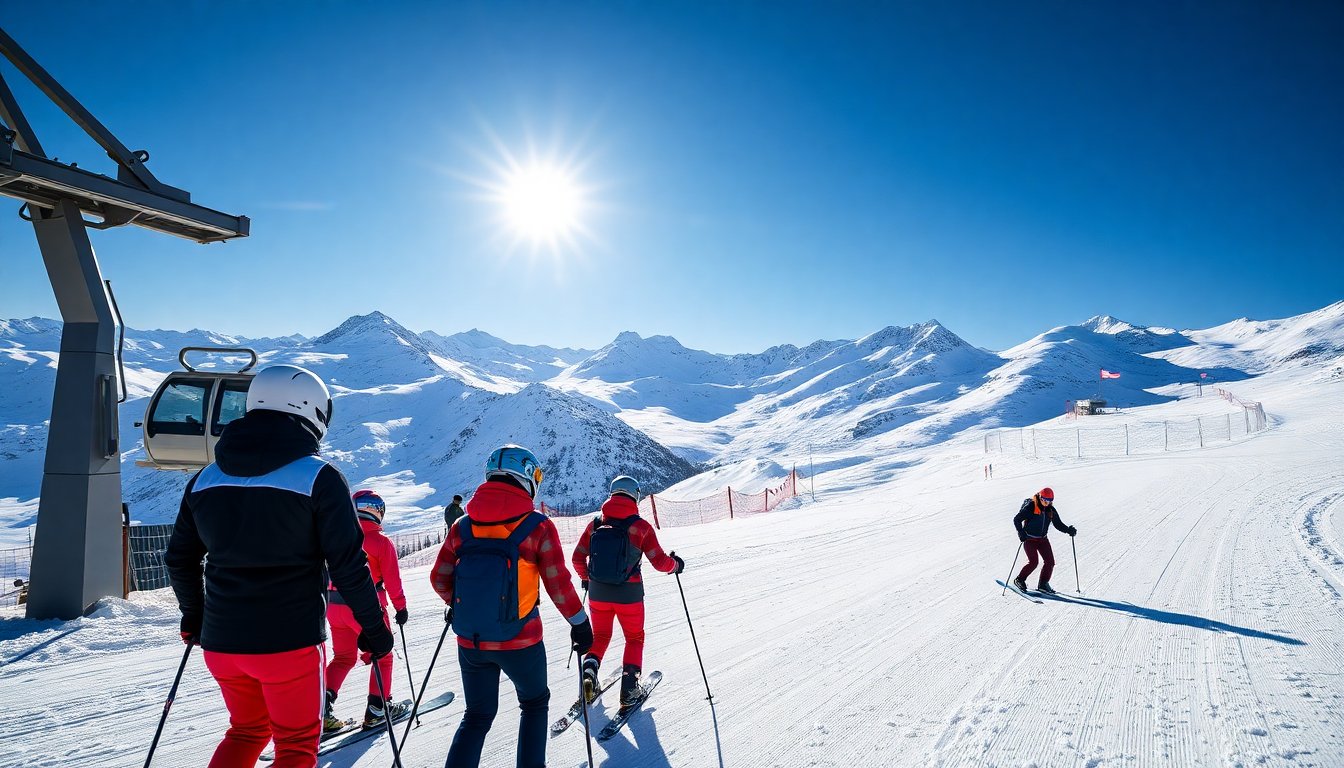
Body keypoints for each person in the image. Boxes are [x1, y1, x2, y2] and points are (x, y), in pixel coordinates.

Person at [165, 364, 394, 768]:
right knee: (295, 745)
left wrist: (195, 617)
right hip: (287, 641)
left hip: (221, 642)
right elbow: (348, 566)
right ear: (312, 412)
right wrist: (374, 630)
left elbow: (180, 557)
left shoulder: (205, 478)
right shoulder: (317, 476)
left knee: (246, 731)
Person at [430, 444, 593, 768]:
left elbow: (439, 579)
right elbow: (558, 584)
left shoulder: (461, 527)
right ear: (527, 480)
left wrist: (459, 604)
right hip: (521, 640)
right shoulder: (537, 526)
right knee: (533, 704)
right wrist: (580, 623)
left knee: (476, 716)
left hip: (471, 641)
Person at [571, 475, 683, 706]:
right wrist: (677, 565)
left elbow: (577, 557)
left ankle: (589, 676)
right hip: (629, 595)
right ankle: (630, 689)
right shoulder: (640, 527)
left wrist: (587, 578)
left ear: (612, 494)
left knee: (600, 636)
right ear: (636, 497)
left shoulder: (595, 524)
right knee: (634, 638)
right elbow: (660, 562)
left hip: (598, 593)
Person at [324, 489, 410, 731]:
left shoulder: (337, 538)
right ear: (377, 511)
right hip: (365, 607)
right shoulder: (381, 542)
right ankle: (377, 709)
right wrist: (400, 608)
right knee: (383, 656)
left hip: (334, 606)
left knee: (343, 657)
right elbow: (393, 582)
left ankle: (321, 710)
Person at [1012, 486, 1076, 595]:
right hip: (1029, 539)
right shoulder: (1031, 507)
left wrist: (1068, 530)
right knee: (1033, 562)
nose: (1047, 503)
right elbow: (1017, 519)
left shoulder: (1050, 510)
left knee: (1050, 562)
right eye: (1045, 500)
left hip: (1043, 540)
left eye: (1050, 501)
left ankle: (1043, 584)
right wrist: (1021, 533)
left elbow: (1058, 524)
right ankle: (1019, 580)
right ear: (1040, 498)